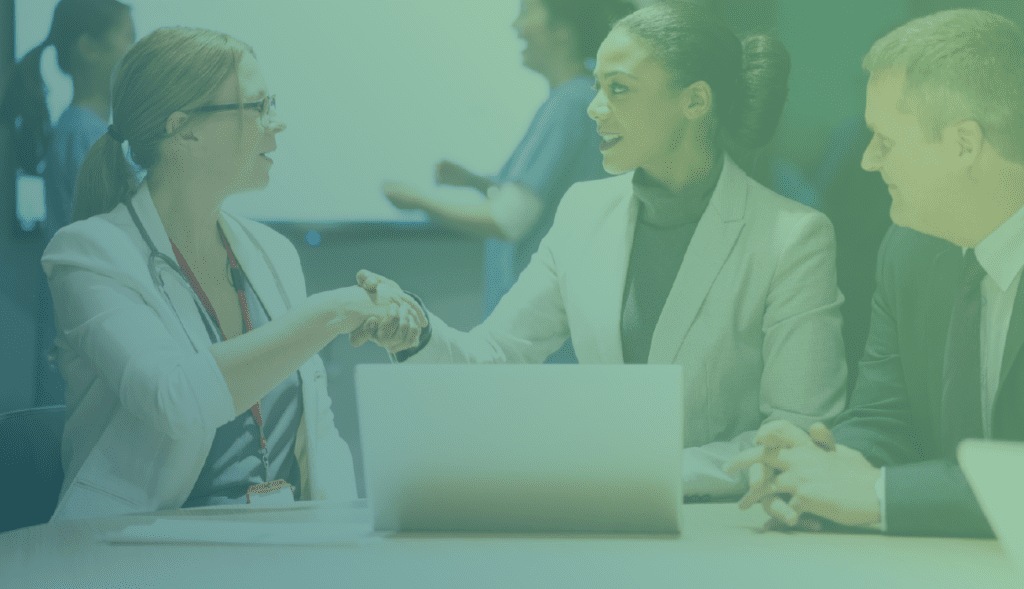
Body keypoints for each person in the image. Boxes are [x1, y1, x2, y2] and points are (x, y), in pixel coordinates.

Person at [358, 1, 847, 499]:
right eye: (598, 88)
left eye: (619, 89)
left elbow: (796, 434)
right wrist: (416, 334)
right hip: (607, 517)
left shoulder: (794, 236)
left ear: (695, 101)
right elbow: (498, 352)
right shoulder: (584, 211)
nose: (593, 108)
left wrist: (631, 469)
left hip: (727, 526)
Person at [42, 26, 425, 519]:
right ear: (185, 128)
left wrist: (347, 540)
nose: (278, 123)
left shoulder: (271, 252)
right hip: (140, 554)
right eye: (258, 106)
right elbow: (176, 399)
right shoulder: (89, 255)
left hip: (277, 545)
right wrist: (336, 310)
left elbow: (319, 436)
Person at [728, 8, 1024, 538]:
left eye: (884, 141)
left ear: (964, 144)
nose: (866, 161)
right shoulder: (907, 250)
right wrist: (822, 460)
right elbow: (886, 420)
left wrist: (877, 495)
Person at [382, 0, 633, 363]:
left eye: (528, 12)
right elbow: (545, 197)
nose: (516, 26)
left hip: (542, 347)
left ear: (563, 29)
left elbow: (508, 219)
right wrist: (475, 182)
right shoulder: (578, 101)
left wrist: (418, 200)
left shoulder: (569, 105)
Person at [0, 0, 135, 407]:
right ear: (89, 49)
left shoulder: (84, 132)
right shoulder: (87, 137)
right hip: (88, 346)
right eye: (129, 39)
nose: (138, 54)